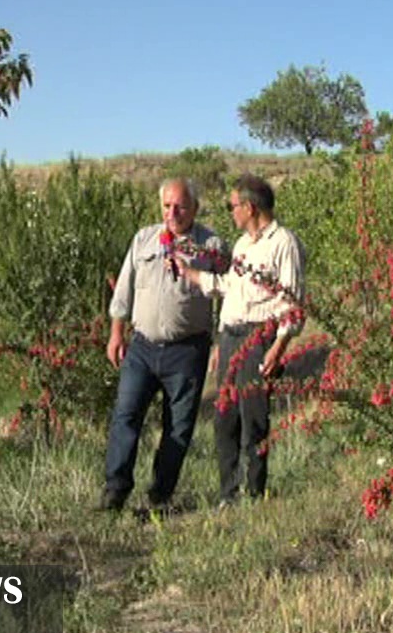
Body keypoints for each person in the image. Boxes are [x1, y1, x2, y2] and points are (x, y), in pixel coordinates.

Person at [98, 178, 228, 512]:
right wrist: (116, 333)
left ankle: (159, 497)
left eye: (181, 206)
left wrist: (220, 343)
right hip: (141, 347)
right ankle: (115, 491)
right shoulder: (144, 238)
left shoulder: (211, 245)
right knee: (126, 416)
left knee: (178, 427)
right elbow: (123, 290)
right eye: (168, 205)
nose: (173, 212)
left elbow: (230, 293)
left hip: (187, 351)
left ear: (195, 208)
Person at [175, 172, 305, 506]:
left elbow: (293, 302)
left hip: (258, 338)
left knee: (254, 419)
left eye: (232, 205)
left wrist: (278, 346)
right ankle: (228, 495)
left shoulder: (283, 243)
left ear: (249, 207)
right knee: (224, 418)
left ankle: (254, 493)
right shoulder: (244, 246)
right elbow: (231, 289)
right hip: (232, 337)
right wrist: (193, 276)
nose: (230, 211)